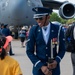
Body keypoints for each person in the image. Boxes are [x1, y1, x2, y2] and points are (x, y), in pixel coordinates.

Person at [26, 7, 66, 75]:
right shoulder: (33, 30)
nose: (38, 21)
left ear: (48, 17)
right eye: (36, 18)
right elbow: (29, 51)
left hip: (54, 68)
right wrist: (41, 66)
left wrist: (56, 61)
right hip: (39, 69)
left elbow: (62, 49)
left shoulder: (57, 29)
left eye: (41, 18)